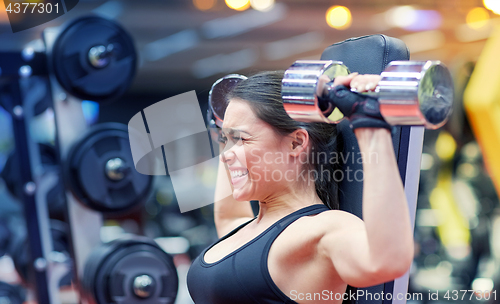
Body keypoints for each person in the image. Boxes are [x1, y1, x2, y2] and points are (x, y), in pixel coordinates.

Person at [187, 70, 414, 303]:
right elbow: (227, 216)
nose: (224, 156)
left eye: (241, 139)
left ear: (296, 143)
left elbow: (387, 260)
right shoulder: (249, 230)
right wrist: (225, 126)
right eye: (226, 140)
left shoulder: (324, 230)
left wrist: (370, 126)